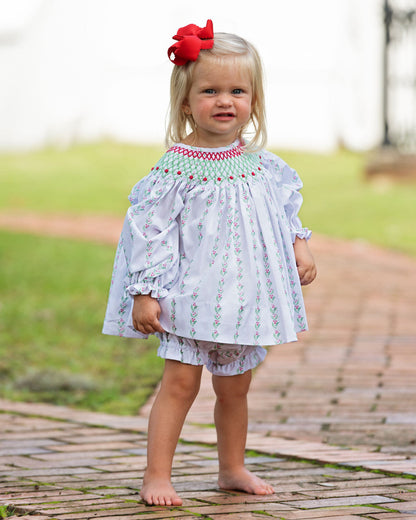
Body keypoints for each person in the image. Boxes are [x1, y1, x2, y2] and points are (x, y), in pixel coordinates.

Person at [103, 19, 316, 507]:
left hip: (241, 302)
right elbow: (149, 233)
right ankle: (157, 474)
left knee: (235, 389)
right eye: (211, 90)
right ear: (186, 102)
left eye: (238, 90)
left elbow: (283, 211)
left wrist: (298, 244)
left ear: (254, 101)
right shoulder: (175, 169)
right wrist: (145, 290)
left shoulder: (264, 166)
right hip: (187, 298)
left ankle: (232, 467)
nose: (225, 101)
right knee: (179, 384)